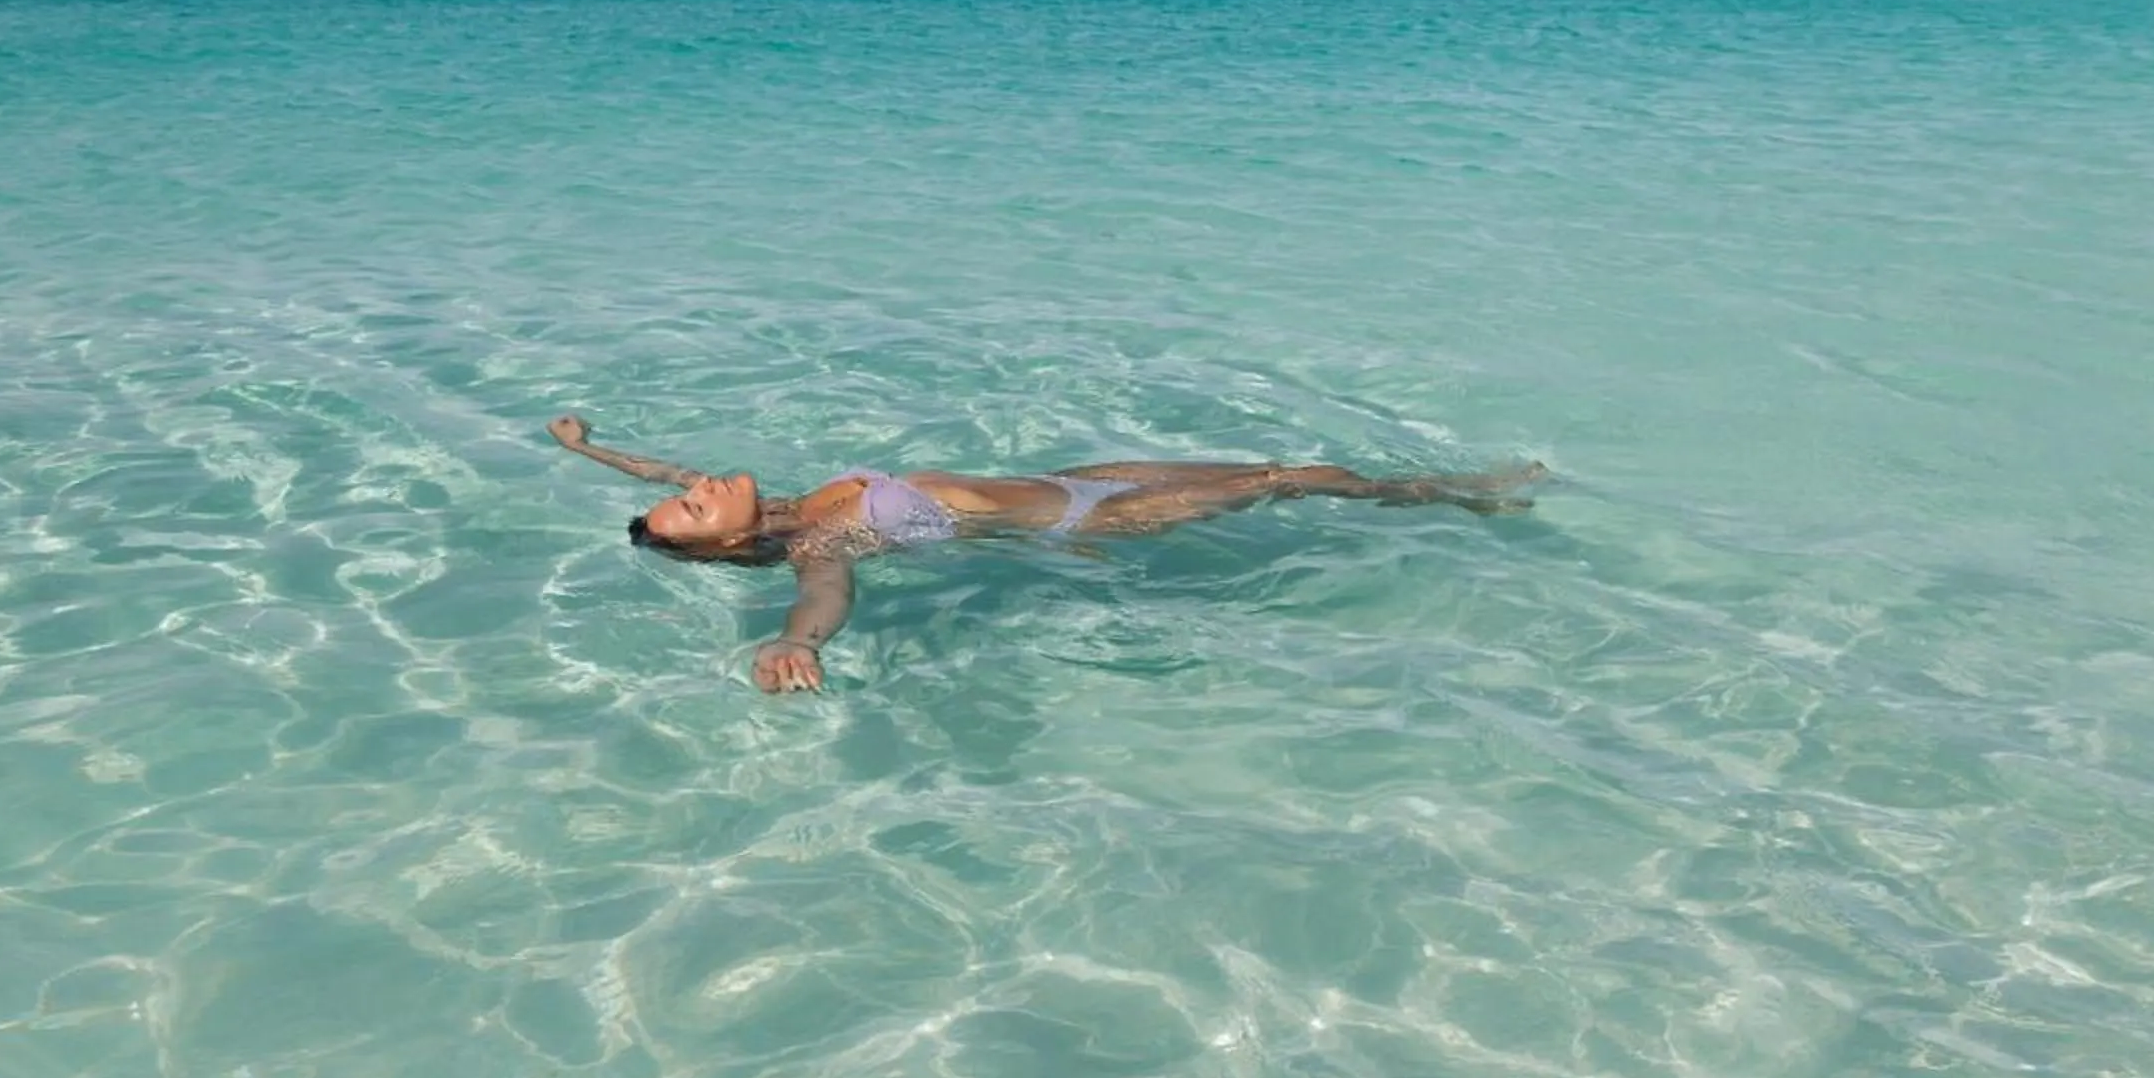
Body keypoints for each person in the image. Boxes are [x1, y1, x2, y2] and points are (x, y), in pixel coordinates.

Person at [546, 414, 1540, 692]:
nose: (697, 486)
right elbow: (825, 596)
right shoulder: (819, 537)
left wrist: (590, 450)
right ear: (726, 542)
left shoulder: (787, 502)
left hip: (1076, 475)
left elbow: (663, 469)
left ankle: (1443, 493)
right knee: (1288, 477)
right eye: (692, 507)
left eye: (687, 493)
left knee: (1276, 467)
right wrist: (795, 643)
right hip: (1085, 523)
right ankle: (1461, 495)